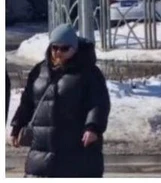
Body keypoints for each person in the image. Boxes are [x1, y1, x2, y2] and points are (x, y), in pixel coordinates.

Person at [10, 24, 110, 178]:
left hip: (76, 150)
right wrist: (17, 125)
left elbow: (99, 103)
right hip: (41, 152)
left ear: (75, 48)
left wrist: (93, 127)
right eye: (54, 48)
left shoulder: (89, 73)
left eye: (64, 49)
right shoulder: (39, 71)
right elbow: (27, 102)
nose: (58, 53)